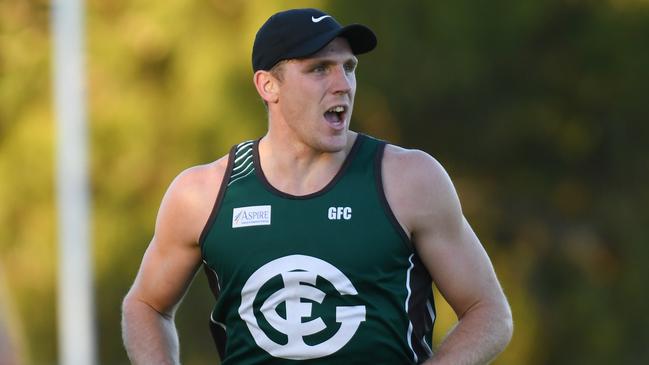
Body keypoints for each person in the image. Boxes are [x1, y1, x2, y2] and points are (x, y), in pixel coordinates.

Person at [121, 8, 513, 365]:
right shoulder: (202, 194)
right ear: (267, 85)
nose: (343, 84)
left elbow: (488, 311)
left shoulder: (410, 179)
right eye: (320, 69)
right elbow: (145, 305)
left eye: (349, 67)